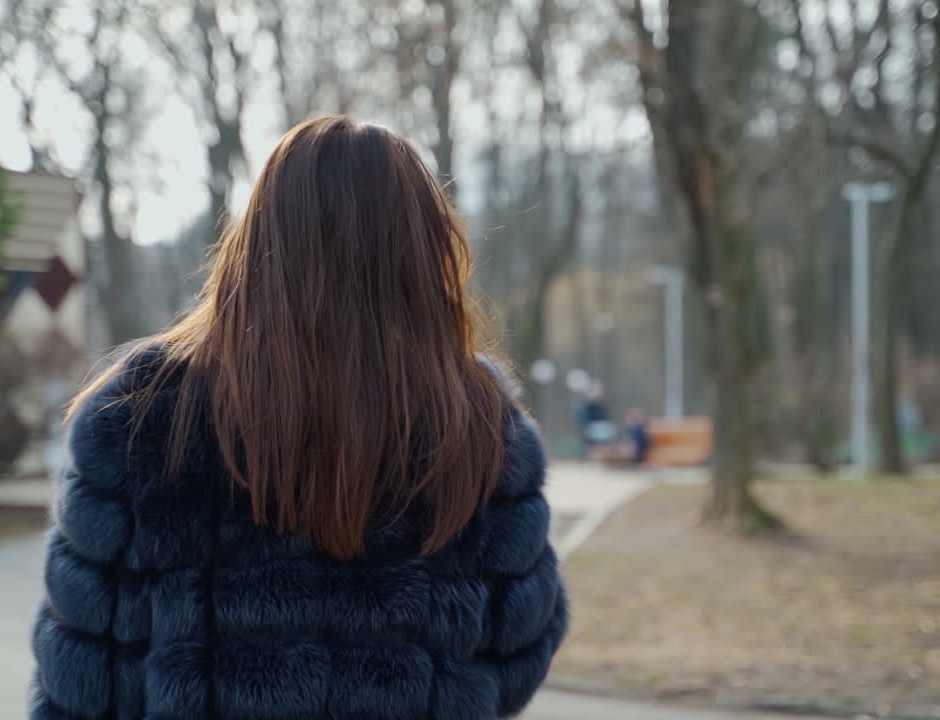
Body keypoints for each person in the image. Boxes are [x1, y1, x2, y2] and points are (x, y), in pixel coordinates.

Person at [30, 117, 567, 719]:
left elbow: (80, 674)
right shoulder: (481, 422)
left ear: (253, 240)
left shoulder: (140, 415)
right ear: (424, 252)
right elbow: (521, 645)